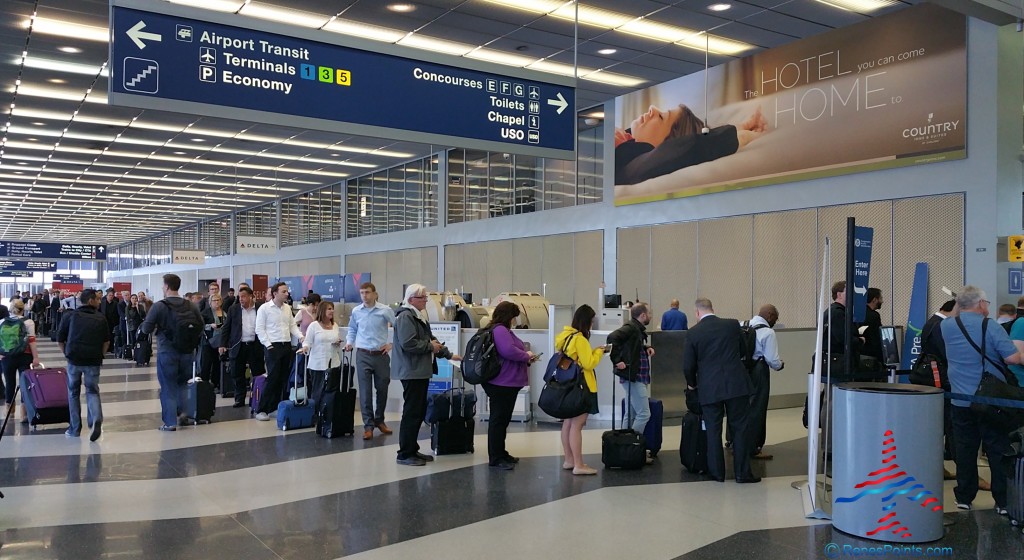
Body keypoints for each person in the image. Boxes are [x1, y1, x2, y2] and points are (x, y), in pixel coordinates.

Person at [940, 286, 1021, 513]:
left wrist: (962, 303)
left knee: (965, 449)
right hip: (989, 401)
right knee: (997, 448)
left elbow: (956, 313)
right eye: (986, 302)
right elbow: (1013, 358)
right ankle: (1002, 501)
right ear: (980, 304)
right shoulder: (991, 326)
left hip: (960, 400)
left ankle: (964, 497)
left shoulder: (947, 326)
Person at [683, 297, 759, 483]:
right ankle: (742, 474)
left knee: (713, 430)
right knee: (740, 428)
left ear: (697, 313)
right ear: (712, 308)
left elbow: (688, 365)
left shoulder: (693, 333)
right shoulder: (732, 325)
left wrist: (692, 383)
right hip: (736, 384)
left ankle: (717, 473)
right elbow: (744, 350)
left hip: (709, 387)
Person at [614, 104, 767, 186]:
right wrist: (740, 127)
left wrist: (741, 136)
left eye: (661, 117)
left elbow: (687, 148)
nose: (652, 108)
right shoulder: (623, 140)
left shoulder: (631, 163)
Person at [392, 284, 459, 467]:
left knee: (418, 411)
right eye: (422, 298)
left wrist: (448, 354)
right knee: (412, 412)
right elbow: (409, 343)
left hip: (419, 370)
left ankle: (412, 449)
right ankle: (405, 453)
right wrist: (431, 347)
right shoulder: (406, 316)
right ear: (412, 299)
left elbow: (431, 339)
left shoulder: (417, 316)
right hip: (412, 370)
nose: (426, 301)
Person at [140, 273, 204, 432]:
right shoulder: (190, 305)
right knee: (183, 384)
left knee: (168, 387)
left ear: (167, 287)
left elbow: (146, 328)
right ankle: (184, 414)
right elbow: (201, 326)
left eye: (163, 285)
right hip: (187, 352)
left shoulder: (159, 306)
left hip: (167, 351)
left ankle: (170, 422)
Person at [483, 301, 537, 470]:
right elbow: (508, 351)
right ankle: (496, 456)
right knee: (499, 420)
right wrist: (526, 355)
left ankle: (500, 452)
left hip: (504, 381)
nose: (515, 320)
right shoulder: (500, 330)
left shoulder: (499, 330)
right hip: (502, 382)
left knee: (502, 419)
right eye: (514, 317)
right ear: (509, 316)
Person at [554, 304, 606, 476]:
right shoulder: (580, 339)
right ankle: (579, 464)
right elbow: (588, 363)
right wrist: (598, 352)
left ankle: (569, 459)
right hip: (582, 386)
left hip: (567, 385)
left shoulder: (565, 335)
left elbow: (575, 358)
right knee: (578, 424)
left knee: (568, 423)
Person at [345, 282, 397, 440]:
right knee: (365, 392)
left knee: (382, 389)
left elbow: (399, 327)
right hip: (363, 354)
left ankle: (379, 420)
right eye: (362, 293)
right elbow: (352, 329)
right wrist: (349, 342)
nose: (364, 296)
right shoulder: (356, 311)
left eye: (367, 292)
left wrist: (392, 344)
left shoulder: (384, 310)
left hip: (380, 354)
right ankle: (368, 425)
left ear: (375, 294)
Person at [57, 288, 109, 441]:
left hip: (74, 359)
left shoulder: (70, 315)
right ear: (91, 300)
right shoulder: (101, 318)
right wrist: (101, 355)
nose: (100, 302)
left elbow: (60, 338)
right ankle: (95, 418)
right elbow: (106, 341)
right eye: (98, 299)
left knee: (73, 393)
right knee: (92, 391)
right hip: (93, 360)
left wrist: (66, 353)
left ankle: (75, 429)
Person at [608, 301, 655, 464]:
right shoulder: (631, 328)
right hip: (634, 376)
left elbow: (631, 346)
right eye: (649, 314)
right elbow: (612, 338)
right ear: (642, 315)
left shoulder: (635, 329)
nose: (650, 316)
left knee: (631, 413)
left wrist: (645, 347)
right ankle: (632, 446)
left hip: (632, 376)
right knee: (644, 413)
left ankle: (624, 447)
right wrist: (617, 360)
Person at [253, 282, 302, 421]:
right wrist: (268, 345)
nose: (287, 294)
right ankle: (261, 409)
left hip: (286, 345)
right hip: (272, 346)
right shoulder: (264, 308)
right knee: (272, 378)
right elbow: (260, 329)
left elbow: (292, 326)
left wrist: (301, 336)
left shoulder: (287, 308)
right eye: (284, 291)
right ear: (275, 293)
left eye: (287, 291)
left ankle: (273, 407)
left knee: (283, 378)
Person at [745, 304, 784, 460]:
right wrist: (780, 365)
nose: (775, 321)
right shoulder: (768, 332)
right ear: (769, 315)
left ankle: (735, 441)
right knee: (758, 408)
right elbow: (772, 360)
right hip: (759, 371)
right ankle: (754, 447)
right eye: (775, 318)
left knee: (744, 407)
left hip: (744, 370)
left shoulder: (745, 325)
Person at [219, 287, 265, 408]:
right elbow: (226, 328)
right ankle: (239, 398)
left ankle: (257, 398)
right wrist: (222, 344)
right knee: (237, 373)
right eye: (240, 297)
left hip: (255, 345)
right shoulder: (233, 309)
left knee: (257, 372)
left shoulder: (260, 308)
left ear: (251, 296)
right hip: (238, 345)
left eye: (244, 296)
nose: (241, 299)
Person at [2, 300, 41, 424]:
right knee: (25, 385)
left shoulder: (2, 322)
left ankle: (9, 411)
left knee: (9, 383)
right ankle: (24, 413)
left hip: (7, 357)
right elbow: (32, 341)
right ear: (23, 309)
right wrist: (35, 358)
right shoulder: (28, 322)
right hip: (25, 356)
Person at [299, 301, 341, 406]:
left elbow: (336, 340)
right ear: (322, 311)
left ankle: (327, 416)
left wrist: (337, 343)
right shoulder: (314, 325)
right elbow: (307, 341)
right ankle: (315, 416)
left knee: (331, 393)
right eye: (329, 309)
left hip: (333, 362)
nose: (332, 311)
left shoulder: (335, 325)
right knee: (317, 392)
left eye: (332, 308)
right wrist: (305, 348)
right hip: (317, 364)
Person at [200, 293, 227, 388]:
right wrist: (210, 325)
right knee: (206, 363)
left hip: (221, 342)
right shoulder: (205, 312)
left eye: (218, 300)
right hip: (209, 341)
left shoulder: (224, 312)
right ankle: (204, 384)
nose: (216, 302)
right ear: (210, 302)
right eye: (214, 300)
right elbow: (200, 325)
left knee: (217, 363)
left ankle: (216, 383)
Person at [860, 287, 884, 363]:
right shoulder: (874, 316)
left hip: (858, 353)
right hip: (870, 355)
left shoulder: (858, 313)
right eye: (880, 298)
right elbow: (876, 338)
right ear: (874, 300)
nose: (882, 301)